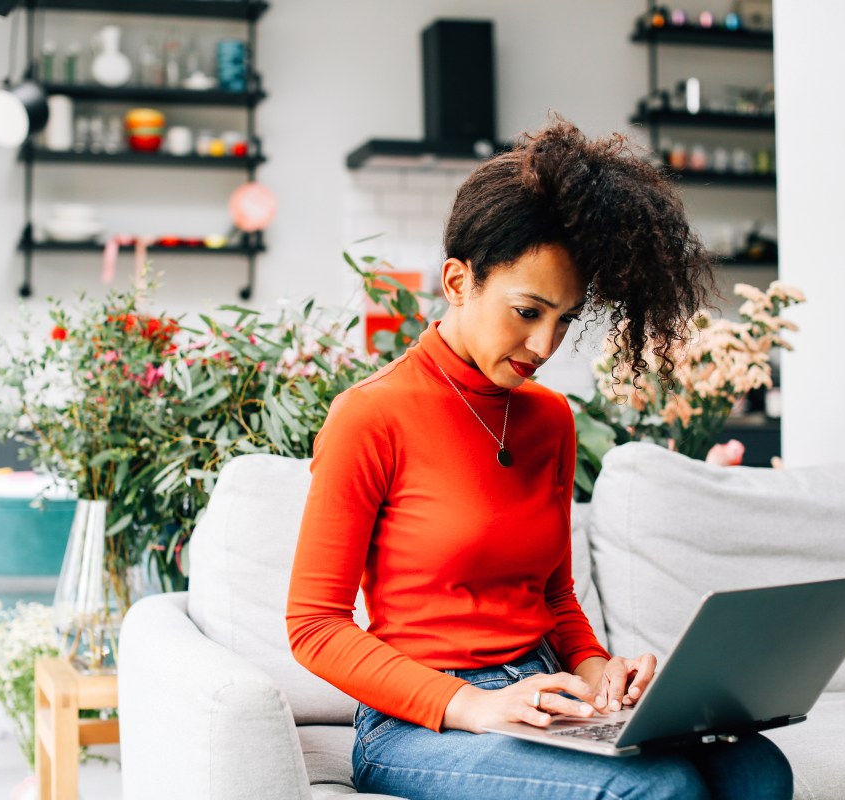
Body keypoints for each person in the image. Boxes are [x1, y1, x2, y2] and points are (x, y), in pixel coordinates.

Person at [286, 117, 793, 800]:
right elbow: (313, 625)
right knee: (661, 789)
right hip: (420, 723)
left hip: (547, 693)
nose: (544, 344)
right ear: (458, 281)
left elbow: (554, 596)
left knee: (756, 769)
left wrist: (595, 672)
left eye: (565, 319)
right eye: (527, 311)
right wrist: (472, 705)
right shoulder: (371, 415)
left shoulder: (550, 418)